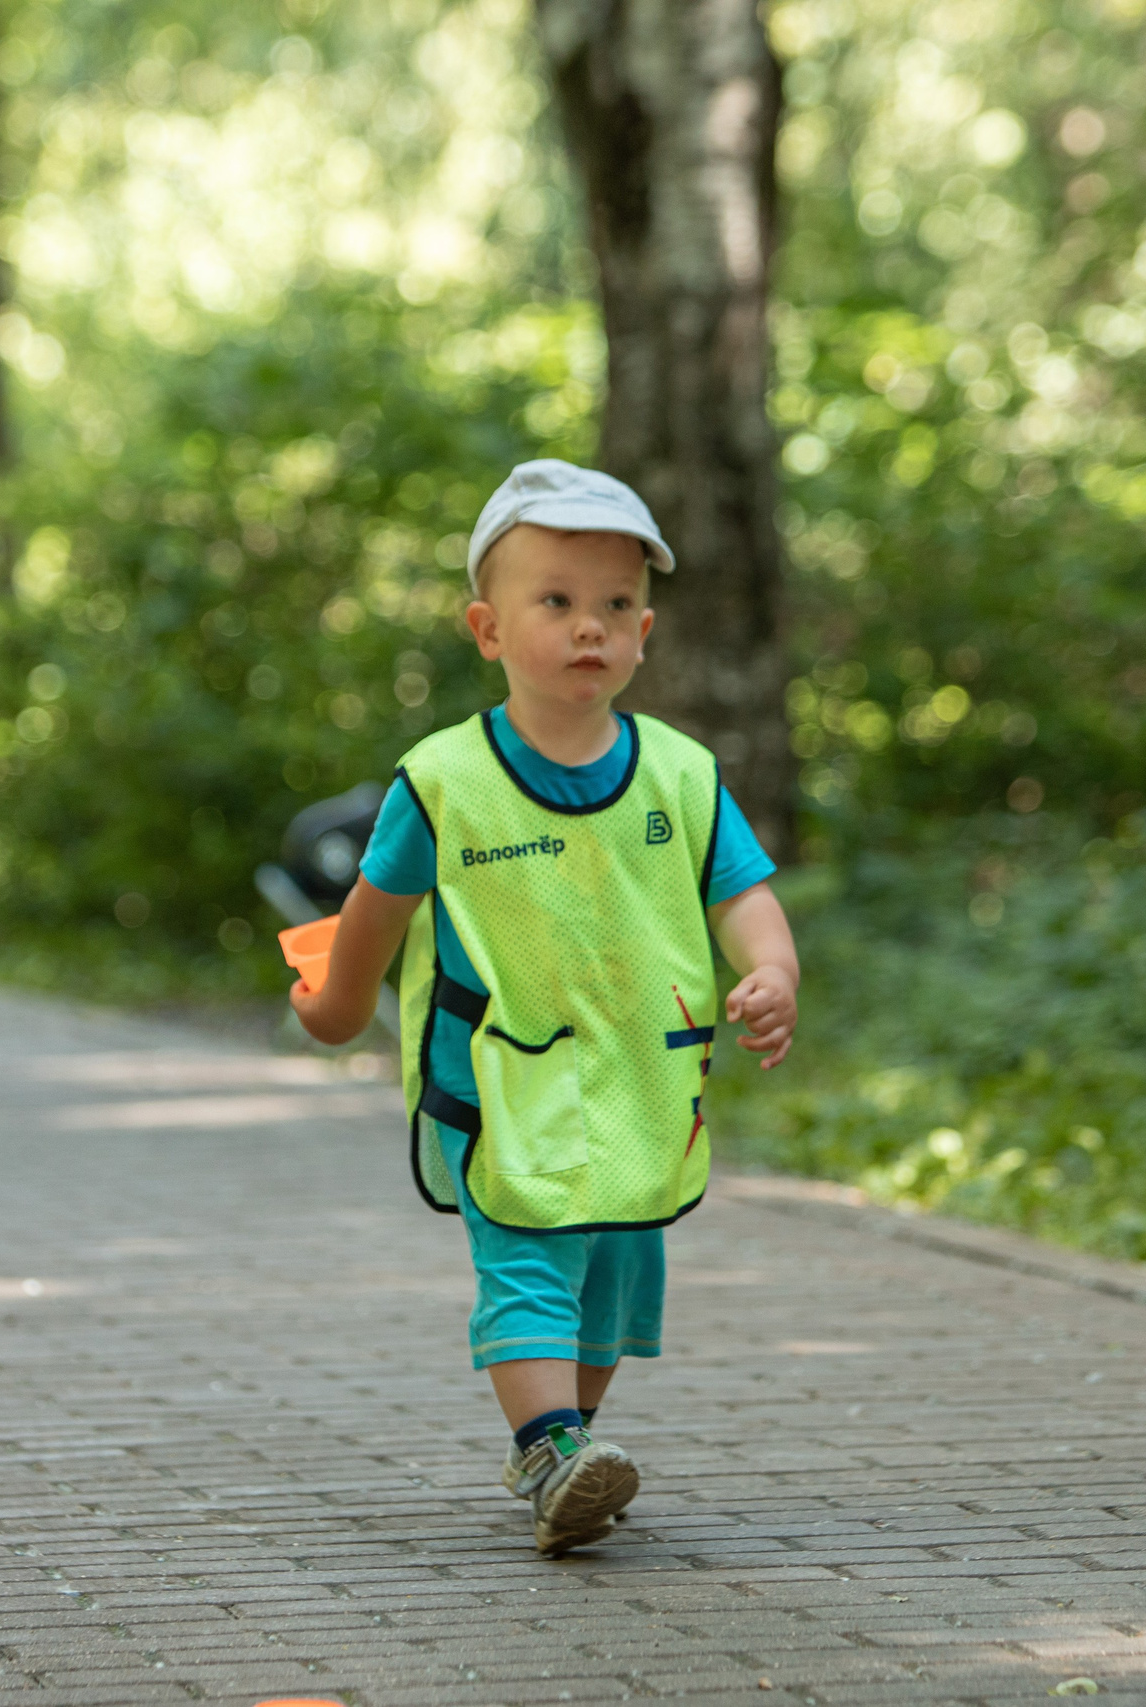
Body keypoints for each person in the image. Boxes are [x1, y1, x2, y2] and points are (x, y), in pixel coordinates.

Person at [290, 460, 801, 1555]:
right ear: (487, 628)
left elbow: (741, 894)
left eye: (616, 604)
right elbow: (373, 912)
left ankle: (566, 1446)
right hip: (502, 1080)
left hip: (639, 1086)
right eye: (557, 600)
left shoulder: (681, 775)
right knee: (525, 1258)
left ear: (644, 631)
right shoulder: (443, 780)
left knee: (614, 1281)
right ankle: (551, 1447)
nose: (589, 626)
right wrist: (334, 1005)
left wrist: (771, 969)